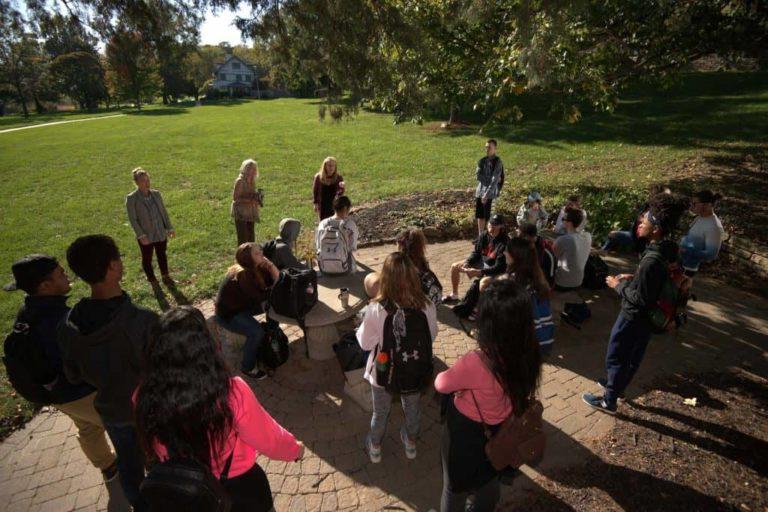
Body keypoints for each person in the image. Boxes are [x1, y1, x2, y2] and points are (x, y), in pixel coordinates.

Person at [135, 307, 303, 512]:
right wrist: (295, 449)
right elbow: (269, 438)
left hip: (185, 490)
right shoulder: (231, 393)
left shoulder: (142, 396)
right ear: (204, 348)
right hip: (240, 490)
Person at [58, 235, 159, 512]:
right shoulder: (143, 322)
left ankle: (139, 505)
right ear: (114, 267)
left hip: (112, 413)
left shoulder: (69, 325)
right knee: (163, 464)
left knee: (128, 466)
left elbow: (74, 375)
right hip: (150, 412)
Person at [4, 255, 118, 481]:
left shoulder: (28, 312)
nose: (67, 276)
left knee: (87, 427)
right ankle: (150, 467)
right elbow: (87, 363)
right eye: (60, 274)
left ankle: (107, 466)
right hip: (80, 392)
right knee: (126, 425)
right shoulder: (61, 321)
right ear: (45, 286)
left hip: (53, 392)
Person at [435, 279, 542, 512]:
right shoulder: (530, 349)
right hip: (503, 428)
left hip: (466, 434)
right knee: (489, 477)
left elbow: (441, 384)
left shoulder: (477, 361)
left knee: (454, 488)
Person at [583, 193, 688, 414]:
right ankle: (617, 387)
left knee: (617, 356)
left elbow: (641, 299)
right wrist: (635, 277)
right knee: (632, 356)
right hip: (646, 322)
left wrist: (616, 285)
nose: (640, 221)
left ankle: (608, 400)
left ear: (657, 228)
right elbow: (653, 283)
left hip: (633, 317)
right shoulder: (667, 249)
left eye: (645, 219)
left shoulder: (651, 260)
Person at [357, 252, 438, 463]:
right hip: (414, 370)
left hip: (384, 373)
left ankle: (375, 446)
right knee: (412, 410)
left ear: (385, 278)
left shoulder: (376, 308)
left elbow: (365, 344)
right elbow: (432, 335)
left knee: (380, 413)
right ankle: (410, 442)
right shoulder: (427, 305)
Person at [215, 243, 280, 381]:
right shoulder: (244, 274)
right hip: (229, 315)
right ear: (248, 258)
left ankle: (272, 333)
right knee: (257, 332)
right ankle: (247, 367)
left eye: (261, 250)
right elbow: (264, 294)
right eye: (257, 253)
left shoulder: (256, 267)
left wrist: (270, 266)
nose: (262, 253)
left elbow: (272, 283)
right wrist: (272, 270)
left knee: (272, 304)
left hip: (242, 306)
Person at [363, 227, 443, 305]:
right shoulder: (422, 261)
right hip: (433, 299)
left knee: (371, 279)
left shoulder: (400, 263)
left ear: (401, 246)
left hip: (415, 304)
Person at [443, 214, 509, 303]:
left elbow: (499, 267)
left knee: (482, 283)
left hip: (494, 270)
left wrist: (479, 272)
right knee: (455, 266)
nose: (492, 227)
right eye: (490, 224)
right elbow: (476, 253)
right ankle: (454, 295)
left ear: (501, 226)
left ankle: (482, 307)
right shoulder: (484, 235)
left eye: (495, 225)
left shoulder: (504, 243)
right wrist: (468, 261)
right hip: (482, 263)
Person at [126, 167, 175, 284]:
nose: (147, 183)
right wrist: (141, 235)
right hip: (146, 234)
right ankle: (152, 279)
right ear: (137, 182)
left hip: (160, 231)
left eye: (148, 180)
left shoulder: (156, 194)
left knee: (162, 254)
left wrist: (169, 228)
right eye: (143, 181)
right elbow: (133, 219)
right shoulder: (131, 199)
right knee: (147, 258)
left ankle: (165, 275)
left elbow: (163, 212)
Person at [602, 184, 671, 253]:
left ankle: (604, 251)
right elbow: (638, 218)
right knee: (612, 234)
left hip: (642, 239)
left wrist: (643, 220)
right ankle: (603, 251)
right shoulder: (647, 206)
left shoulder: (660, 211)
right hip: (633, 235)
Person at [680, 190, 725, 277]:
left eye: (695, 203)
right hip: (679, 263)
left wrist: (686, 251)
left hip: (688, 269)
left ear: (707, 205)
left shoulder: (715, 226)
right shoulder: (699, 217)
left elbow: (711, 255)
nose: (691, 206)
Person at [315, 195, 359, 275]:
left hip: (324, 269)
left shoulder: (323, 223)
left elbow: (318, 246)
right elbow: (353, 247)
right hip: (345, 269)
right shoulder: (350, 225)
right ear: (346, 208)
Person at [553, 208, 592, 291]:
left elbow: (552, 256)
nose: (561, 221)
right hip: (578, 281)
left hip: (562, 283)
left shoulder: (565, 239)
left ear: (569, 223)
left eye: (563, 219)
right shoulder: (588, 236)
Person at [474, 139, 504, 236]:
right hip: (480, 192)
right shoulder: (482, 161)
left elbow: (495, 180)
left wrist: (486, 194)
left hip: (490, 195)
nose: (487, 149)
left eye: (489, 147)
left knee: (489, 218)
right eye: (486, 147)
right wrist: (490, 178)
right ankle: (480, 237)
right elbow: (478, 175)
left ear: (495, 148)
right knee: (480, 215)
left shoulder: (498, 162)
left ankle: (488, 237)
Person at [231, 159, 263, 245]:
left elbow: (249, 194)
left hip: (249, 212)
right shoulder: (240, 181)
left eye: (253, 169)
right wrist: (250, 200)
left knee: (251, 237)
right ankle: (242, 256)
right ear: (244, 169)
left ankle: (251, 256)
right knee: (243, 238)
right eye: (249, 168)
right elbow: (235, 199)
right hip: (241, 212)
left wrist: (257, 196)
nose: (251, 171)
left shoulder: (252, 181)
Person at [518, 222, 557, 288]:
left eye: (521, 236)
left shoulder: (545, 252)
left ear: (528, 236)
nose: (519, 239)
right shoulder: (527, 244)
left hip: (542, 284)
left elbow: (550, 277)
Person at [312, 156, 345, 220]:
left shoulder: (338, 177)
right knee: (323, 222)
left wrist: (342, 188)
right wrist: (315, 203)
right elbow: (315, 191)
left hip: (333, 205)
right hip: (322, 205)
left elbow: (340, 193)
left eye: (333, 166)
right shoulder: (318, 177)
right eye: (329, 166)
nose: (331, 168)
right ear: (325, 166)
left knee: (334, 221)